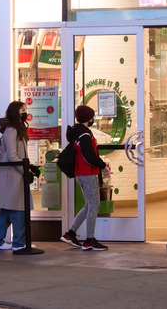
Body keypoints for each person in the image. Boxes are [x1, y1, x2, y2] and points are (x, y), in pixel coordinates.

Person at [59, 105, 109, 251]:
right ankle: (89, 240)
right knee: (94, 205)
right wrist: (102, 165)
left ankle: (70, 234)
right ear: (88, 118)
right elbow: (89, 156)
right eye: (92, 116)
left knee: (89, 205)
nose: (93, 119)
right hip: (87, 173)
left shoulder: (78, 132)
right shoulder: (84, 135)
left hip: (81, 173)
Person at [0, 101, 34, 250]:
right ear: (16, 112)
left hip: (12, 174)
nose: (25, 112)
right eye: (23, 110)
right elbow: (12, 155)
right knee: (17, 209)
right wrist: (25, 170)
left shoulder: (15, 129)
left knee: (7, 210)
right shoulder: (12, 130)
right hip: (12, 175)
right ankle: (19, 243)